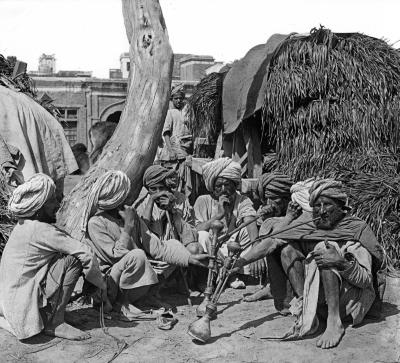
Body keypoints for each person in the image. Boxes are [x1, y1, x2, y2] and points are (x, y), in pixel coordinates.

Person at [232, 179, 384, 349]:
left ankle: (334, 322)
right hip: (318, 298)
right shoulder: (309, 224)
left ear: (341, 207)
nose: (322, 211)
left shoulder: (355, 228)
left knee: (324, 248)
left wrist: (341, 262)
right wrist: (239, 262)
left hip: (349, 301)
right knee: (286, 249)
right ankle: (306, 308)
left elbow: (366, 280)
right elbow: (272, 242)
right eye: (317, 206)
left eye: (327, 205)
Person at [84, 170, 209, 313]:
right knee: (138, 255)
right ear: (116, 198)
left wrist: (189, 258)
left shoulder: (130, 214)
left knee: (172, 245)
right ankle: (124, 301)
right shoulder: (96, 223)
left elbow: (156, 246)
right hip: (113, 280)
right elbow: (116, 256)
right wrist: (128, 227)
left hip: (138, 268)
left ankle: (146, 295)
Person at [0, 174, 106, 341]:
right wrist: (98, 284)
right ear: (39, 208)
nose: (57, 205)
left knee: (64, 256)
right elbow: (85, 253)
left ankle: (55, 314)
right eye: (52, 201)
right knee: (74, 260)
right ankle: (55, 323)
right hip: (20, 308)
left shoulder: (24, 226)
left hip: (11, 305)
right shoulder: (40, 230)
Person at [194, 157, 258, 288]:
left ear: (234, 185)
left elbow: (250, 220)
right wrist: (219, 214)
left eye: (227, 184)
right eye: (218, 185)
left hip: (233, 249)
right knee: (202, 235)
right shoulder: (203, 200)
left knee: (248, 232)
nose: (223, 189)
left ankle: (231, 273)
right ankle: (216, 275)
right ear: (212, 187)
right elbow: (196, 229)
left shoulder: (242, 200)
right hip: (213, 249)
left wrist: (257, 251)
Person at [244, 172, 300, 305]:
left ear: (286, 198)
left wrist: (287, 217)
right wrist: (264, 218)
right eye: (267, 199)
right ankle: (269, 287)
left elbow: (279, 234)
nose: (270, 203)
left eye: (274, 199)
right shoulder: (268, 209)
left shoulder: (296, 209)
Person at [135, 165, 202, 254]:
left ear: (168, 187)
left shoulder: (180, 199)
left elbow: (189, 235)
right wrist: (151, 200)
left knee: (195, 249)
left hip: (177, 246)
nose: (158, 193)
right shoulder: (143, 202)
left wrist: (172, 211)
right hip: (152, 249)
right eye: (153, 189)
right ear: (148, 189)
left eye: (162, 188)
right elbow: (142, 232)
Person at [158, 87, 192, 163]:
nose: (178, 100)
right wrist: (171, 151)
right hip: (174, 150)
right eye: (176, 98)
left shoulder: (186, 112)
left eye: (180, 98)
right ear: (172, 99)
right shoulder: (170, 113)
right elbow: (166, 133)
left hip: (186, 148)